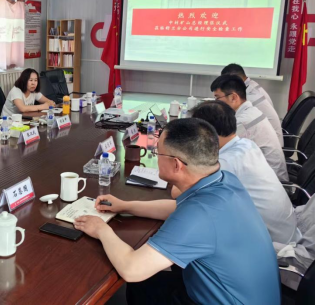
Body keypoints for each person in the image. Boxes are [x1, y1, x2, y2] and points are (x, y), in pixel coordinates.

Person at [74, 118, 280, 305]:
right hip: (247, 294)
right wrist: (125, 206)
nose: (156, 157)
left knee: (139, 281)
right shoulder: (225, 181)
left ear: (176, 164)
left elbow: (131, 269)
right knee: (146, 285)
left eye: (158, 152)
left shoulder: (200, 214)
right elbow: (176, 208)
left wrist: (102, 229)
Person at [189, 100, 297, 244]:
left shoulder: (225, 163)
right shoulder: (247, 144)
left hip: (272, 245)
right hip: (286, 232)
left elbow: (184, 194)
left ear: (207, 133)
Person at [211, 74, 288, 181]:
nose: (216, 103)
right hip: (264, 174)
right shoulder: (250, 111)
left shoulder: (244, 122)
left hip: (271, 179)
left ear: (233, 97)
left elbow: (218, 150)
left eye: (217, 98)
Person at [221, 63, 282, 145]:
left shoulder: (250, 95)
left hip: (268, 142)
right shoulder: (251, 87)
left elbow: (234, 125)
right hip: (267, 138)